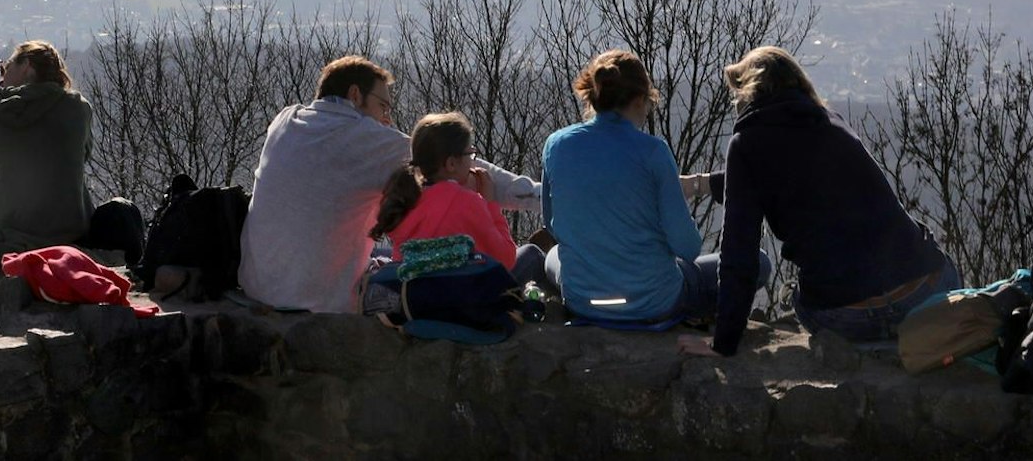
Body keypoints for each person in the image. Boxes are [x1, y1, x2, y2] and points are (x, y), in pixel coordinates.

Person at [678, 46, 957, 356]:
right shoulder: (830, 123)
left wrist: (723, 343)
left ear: (747, 95)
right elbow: (791, 174)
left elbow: (739, 257)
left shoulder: (747, 145)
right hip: (926, 289)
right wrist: (701, 184)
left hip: (847, 313)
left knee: (798, 297)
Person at [238, 56, 541, 313]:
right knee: (526, 257)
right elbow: (460, 164)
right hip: (319, 300)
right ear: (355, 95)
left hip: (257, 286)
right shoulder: (368, 139)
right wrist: (543, 196)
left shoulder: (284, 121)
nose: (386, 120)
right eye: (383, 106)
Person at [542, 49, 768, 324]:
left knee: (552, 255)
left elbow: (553, 224)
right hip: (653, 303)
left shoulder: (556, 145)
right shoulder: (653, 153)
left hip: (583, 301)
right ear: (639, 100)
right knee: (758, 262)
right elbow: (688, 247)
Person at [0, 40, 94, 271]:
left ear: (27, 67)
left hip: (5, 231)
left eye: (7, 66)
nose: (2, 74)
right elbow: (82, 156)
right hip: (69, 232)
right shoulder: (79, 109)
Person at [370, 111, 546, 286]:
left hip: (417, 299)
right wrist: (490, 203)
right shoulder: (468, 202)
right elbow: (506, 258)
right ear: (451, 164)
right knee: (532, 255)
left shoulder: (404, 200)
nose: (472, 161)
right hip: (465, 300)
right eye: (470, 154)